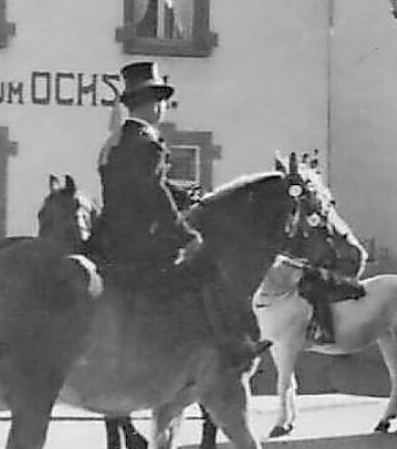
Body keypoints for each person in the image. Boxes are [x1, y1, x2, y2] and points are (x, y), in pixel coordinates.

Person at [90, 61, 270, 372]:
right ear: (153, 105)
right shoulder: (147, 142)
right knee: (209, 266)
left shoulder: (117, 140)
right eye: (161, 101)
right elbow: (152, 195)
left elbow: (140, 184)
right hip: (142, 240)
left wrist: (181, 191)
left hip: (112, 236)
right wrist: (185, 235)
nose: (163, 108)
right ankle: (229, 346)